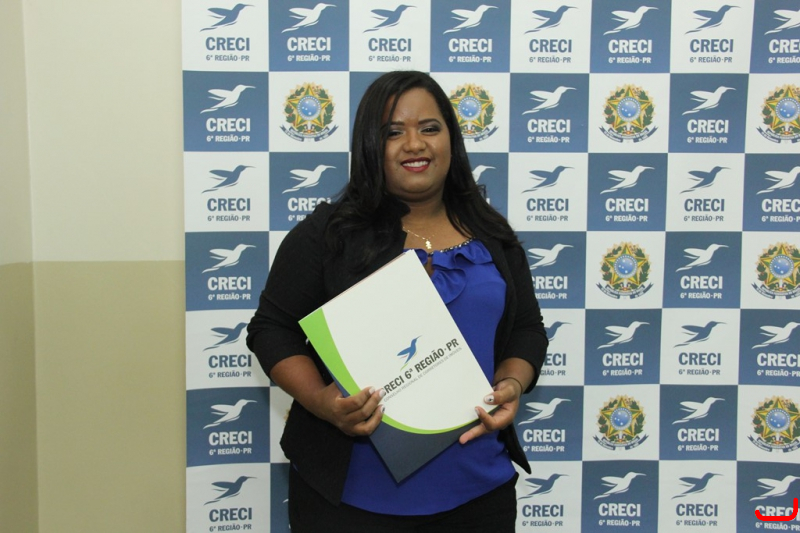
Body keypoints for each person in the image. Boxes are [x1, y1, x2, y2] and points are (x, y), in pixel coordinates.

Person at [247, 70, 548, 532]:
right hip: (349, 504)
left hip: (479, 494)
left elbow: (526, 329)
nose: (414, 144)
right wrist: (323, 402)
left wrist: (511, 383)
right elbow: (271, 329)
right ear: (370, 145)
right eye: (393, 132)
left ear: (451, 139)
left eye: (429, 128)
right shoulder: (330, 234)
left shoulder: (492, 234)